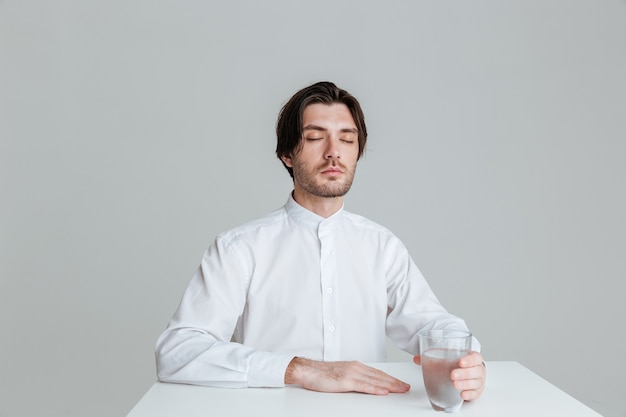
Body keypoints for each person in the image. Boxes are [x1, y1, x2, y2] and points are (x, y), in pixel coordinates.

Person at [155, 81, 486, 400]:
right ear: (287, 154)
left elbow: (433, 326)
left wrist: (468, 360)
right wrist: (298, 370)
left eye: (346, 140)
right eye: (315, 137)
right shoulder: (238, 248)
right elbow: (177, 351)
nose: (333, 153)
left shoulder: (382, 247)